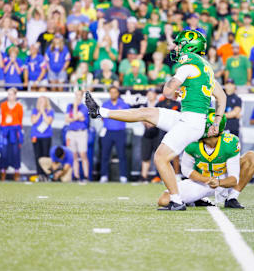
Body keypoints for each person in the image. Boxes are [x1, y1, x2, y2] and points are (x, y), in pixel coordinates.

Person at [85, 29, 227, 210]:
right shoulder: (205, 68)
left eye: (179, 44)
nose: (175, 47)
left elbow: (167, 92)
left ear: (189, 47)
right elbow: (221, 96)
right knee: (147, 112)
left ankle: (176, 200)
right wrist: (217, 120)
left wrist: (173, 86)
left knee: (160, 157)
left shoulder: (188, 66)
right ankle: (100, 112)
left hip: (190, 121)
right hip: (189, 118)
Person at [157, 119, 254, 209]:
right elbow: (186, 170)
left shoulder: (230, 142)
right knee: (164, 200)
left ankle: (232, 198)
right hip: (201, 182)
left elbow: (234, 179)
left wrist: (219, 182)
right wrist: (206, 180)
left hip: (223, 179)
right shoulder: (192, 142)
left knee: (252, 157)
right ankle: (198, 199)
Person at [99, 86, 130, 183]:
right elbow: (101, 117)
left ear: (118, 93)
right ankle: (104, 175)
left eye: (114, 92)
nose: (113, 94)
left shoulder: (123, 104)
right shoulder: (105, 104)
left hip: (120, 131)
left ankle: (123, 176)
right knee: (105, 155)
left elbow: (128, 115)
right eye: (111, 92)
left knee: (121, 155)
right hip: (108, 131)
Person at [0, 88, 23, 181]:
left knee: (15, 152)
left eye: (12, 94)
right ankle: (3, 171)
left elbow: (20, 120)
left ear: (15, 95)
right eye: (8, 94)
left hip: (15, 130)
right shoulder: (3, 105)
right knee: (4, 151)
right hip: (5, 131)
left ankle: (16, 172)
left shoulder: (19, 106)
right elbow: (3, 118)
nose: (10, 96)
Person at [65, 90, 90, 181]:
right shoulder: (69, 106)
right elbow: (67, 120)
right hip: (71, 132)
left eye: (79, 95)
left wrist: (75, 107)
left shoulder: (83, 107)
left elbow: (74, 117)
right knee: (74, 155)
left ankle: (86, 176)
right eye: (76, 95)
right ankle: (76, 175)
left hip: (81, 132)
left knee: (83, 154)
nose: (77, 97)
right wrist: (75, 118)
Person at [140, 89, 161, 182]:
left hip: (158, 133)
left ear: (155, 95)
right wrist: (146, 122)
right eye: (148, 94)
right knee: (145, 156)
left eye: (151, 94)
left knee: (160, 156)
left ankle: (160, 176)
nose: (149, 96)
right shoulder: (144, 106)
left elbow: (162, 117)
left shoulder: (160, 105)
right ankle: (143, 177)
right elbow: (140, 117)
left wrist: (153, 123)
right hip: (147, 133)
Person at [31, 96, 54, 178]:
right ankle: (39, 173)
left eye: (42, 101)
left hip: (46, 136)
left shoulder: (50, 111)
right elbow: (33, 121)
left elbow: (48, 121)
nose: (41, 103)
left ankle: (46, 174)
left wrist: (43, 112)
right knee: (37, 155)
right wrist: (39, 112)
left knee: (45, 155)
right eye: (39, 101)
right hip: (36, 136)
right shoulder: (34, 111)